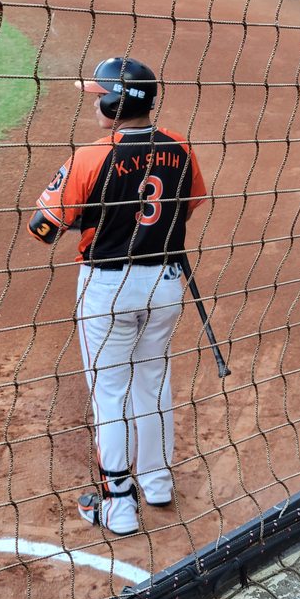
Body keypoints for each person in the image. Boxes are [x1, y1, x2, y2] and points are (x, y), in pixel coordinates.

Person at [28, 57, 207, 535]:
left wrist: (98, 216)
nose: (94, 104)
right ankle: (158, 483)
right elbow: (187, 207)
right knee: (153, 383)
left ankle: (119, 506)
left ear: (114, 102)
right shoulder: (180, 147)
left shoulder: (90, 157)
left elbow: (43, 229)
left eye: (98, 96)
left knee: (110, 394)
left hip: (108, 289)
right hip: (165, 285)